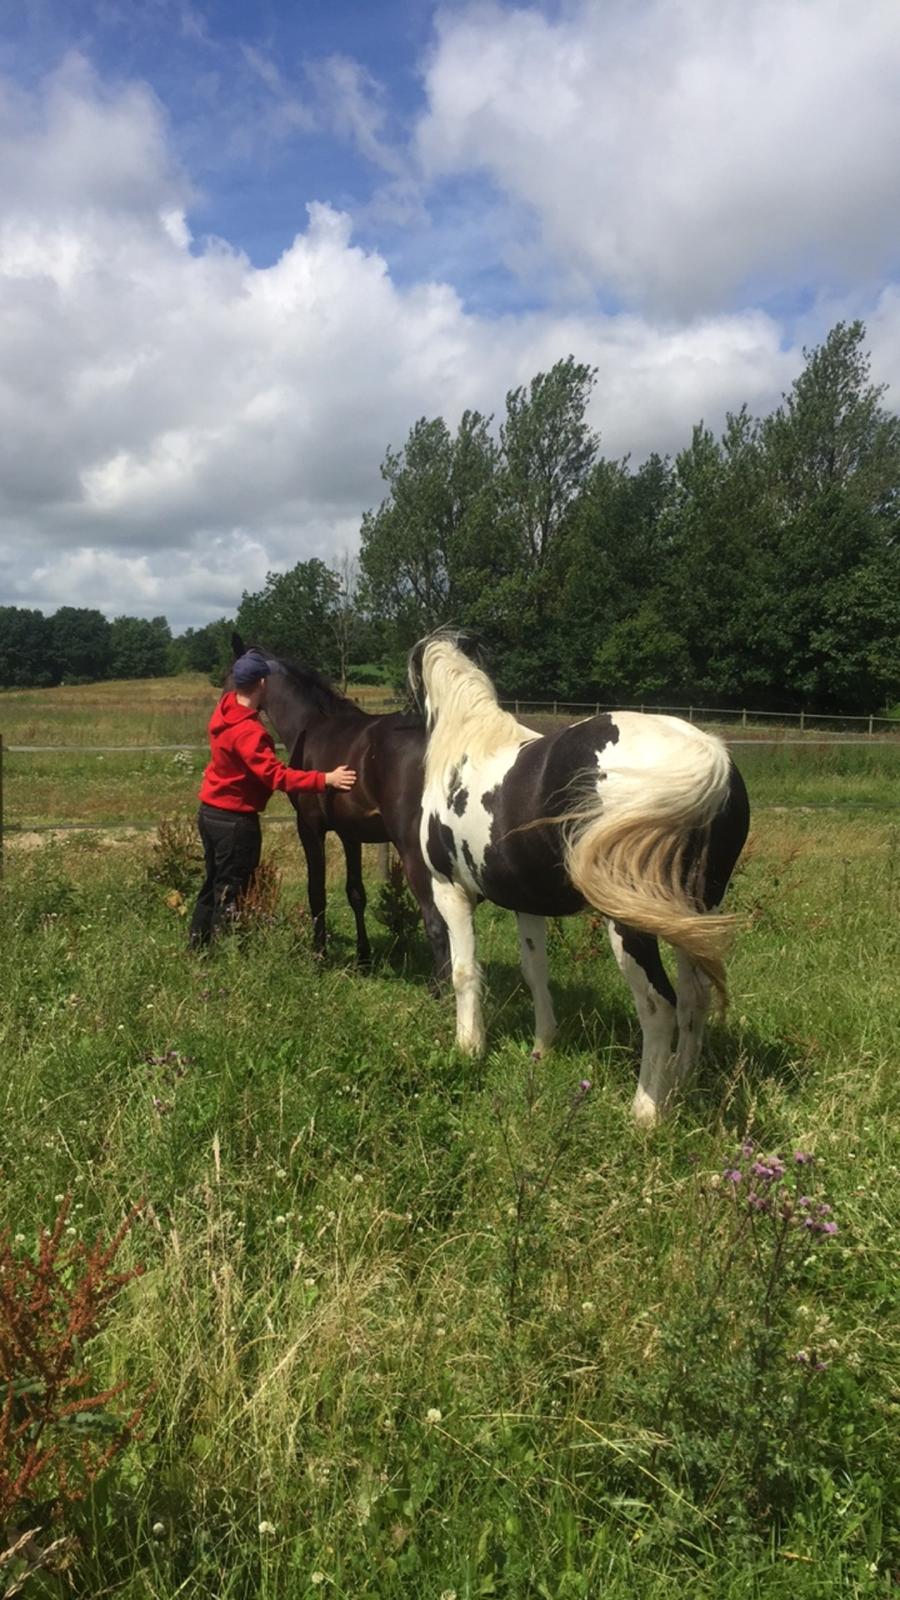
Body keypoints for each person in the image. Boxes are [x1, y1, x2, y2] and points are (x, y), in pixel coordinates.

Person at [189, 647, 356, 947]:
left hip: (210, 813)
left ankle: (197, 945)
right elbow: (277, 777)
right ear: (263, 684)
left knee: (213, 883)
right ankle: (224, 952)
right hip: (235, 822)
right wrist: (326, 779)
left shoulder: (224, 711)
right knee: (232, 890)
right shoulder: (249, 733)